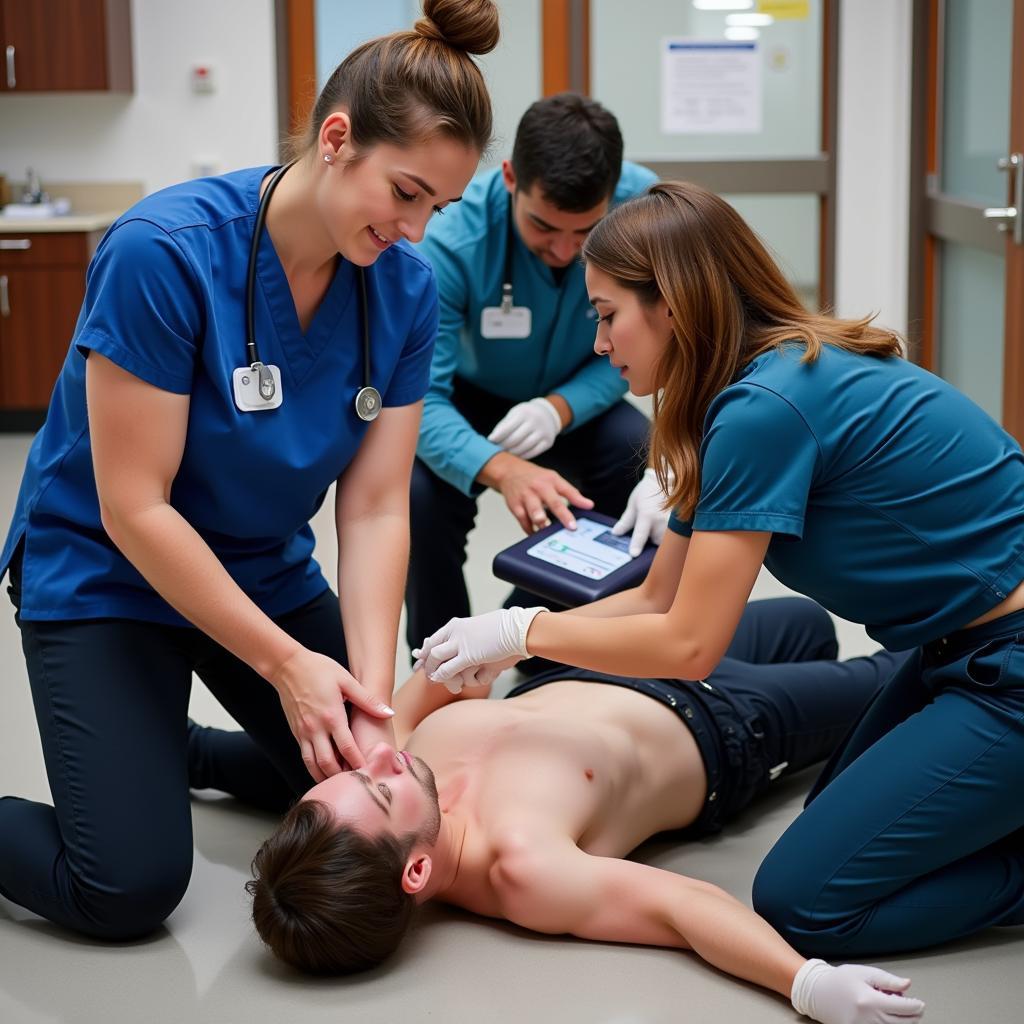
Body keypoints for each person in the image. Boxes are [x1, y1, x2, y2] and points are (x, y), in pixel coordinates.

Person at [413, 180, 1024, 958]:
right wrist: (503, 635)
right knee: (838, 822)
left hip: (1009, 659)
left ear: (670, 303)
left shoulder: (765, 408)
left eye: (606, 316)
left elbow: (691, 647)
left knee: (805, 905)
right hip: (951, 647)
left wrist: (522, 629)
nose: (599, 345)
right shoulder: (737, 393)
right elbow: (657, 594)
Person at [0, 0, 500, 941]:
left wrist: (362, 694)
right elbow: (133, 506)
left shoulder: (403, 290)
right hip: (107, 572)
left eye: (438, 206)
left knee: (335, 778)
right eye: (404, 193)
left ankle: (170, 748)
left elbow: (378, 507)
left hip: (257, 571)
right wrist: (284, 666)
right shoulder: (165, 254)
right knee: (126, 888)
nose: (417, 229)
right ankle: (130, 748)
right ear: (337, 137)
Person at [230, 597, 924, 1021]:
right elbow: (683, 908)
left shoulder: (398, 779)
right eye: (379, 787)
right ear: (414, 872)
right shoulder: (523, 867)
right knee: (910, 669)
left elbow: (429, 684)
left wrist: (482, 648)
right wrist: (805, 984)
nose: (377, 759)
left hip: (606, 665)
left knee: (804, 622)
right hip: (727, 721)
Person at [405, 93, 661, 655]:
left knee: (637, 457)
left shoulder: (645, 211)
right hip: (466, 396)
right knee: (419, 500)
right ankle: (440, 664)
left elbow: (644, 351)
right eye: (544, 227)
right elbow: (420, 400)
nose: (565, 250)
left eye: (585, 232)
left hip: (582, 383)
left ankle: (546, 639)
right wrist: (501, 469)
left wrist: (560, 408)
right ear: (510, 177)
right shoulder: (449, 242)